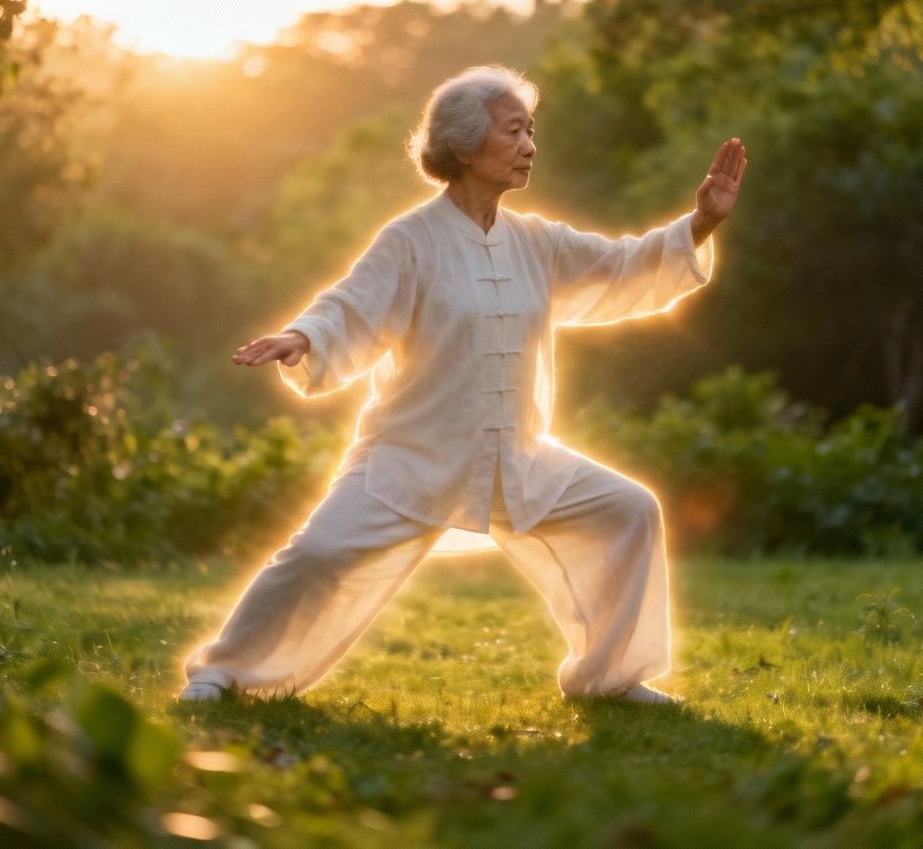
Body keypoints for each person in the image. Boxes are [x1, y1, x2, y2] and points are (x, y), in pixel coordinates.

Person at [180, 65, 746, 705]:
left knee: (628, 509)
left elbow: (622, 267)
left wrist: (700, 224)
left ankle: (609, 680)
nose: (530, 145)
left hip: (520, 457)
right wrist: (307, 336)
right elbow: (354, 303)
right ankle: (221, 671)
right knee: (318, 555)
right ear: (465, 145)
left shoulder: (537, 241)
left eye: (531, 131)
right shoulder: (411, 240)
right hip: (414, 456)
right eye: (514, 131)